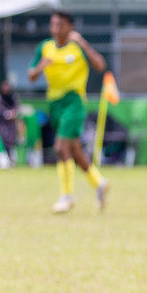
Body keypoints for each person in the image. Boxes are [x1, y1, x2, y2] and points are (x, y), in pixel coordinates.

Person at [27, 11, 109, 213]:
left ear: (70, 27)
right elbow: (31, 75)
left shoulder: (77, 47)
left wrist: (84, 44)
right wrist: (40, 67)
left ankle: (66, 196)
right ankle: (99, 183)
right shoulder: (45, 48)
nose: (56, 29)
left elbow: (100, 66)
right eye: (53, 25)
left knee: (60, 146)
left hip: (74, 101)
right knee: (74, 150)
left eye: (60, 25)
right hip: (54, 103)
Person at [0, 79, 21, 168]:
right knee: (2, 141)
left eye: (7, 87)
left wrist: (13, 113)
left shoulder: (14, 97)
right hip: (2, 123)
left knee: (11, 142)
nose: (5, 89)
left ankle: (12, 161)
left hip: (11, 124)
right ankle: (3, 161)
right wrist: (6, 113)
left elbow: (17, 108)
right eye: (3, 87)